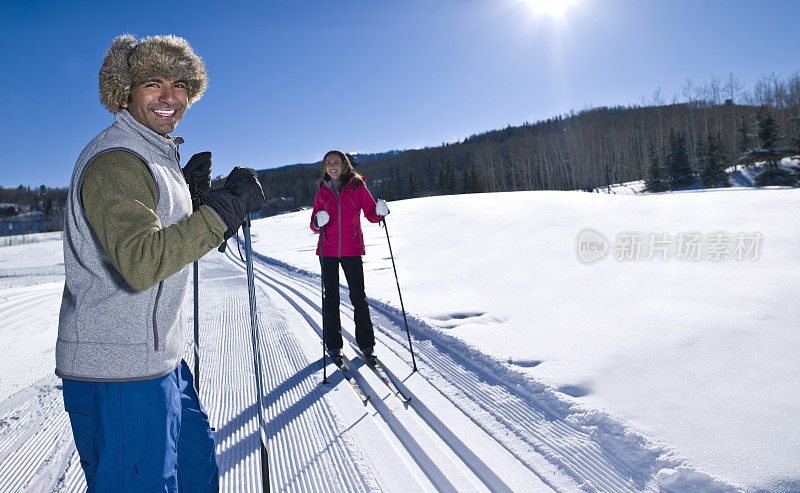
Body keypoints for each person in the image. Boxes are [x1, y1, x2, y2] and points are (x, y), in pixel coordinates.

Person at [56, 34, 264, 491]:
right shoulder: (117, 159)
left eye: (181, 84)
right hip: (119, 372)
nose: (170, 96)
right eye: (153, 83)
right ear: (126, 91)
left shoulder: (153, 154)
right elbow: (140, 260)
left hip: (160, 358)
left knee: (195, 469)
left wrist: (190, 200)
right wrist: (219, 216)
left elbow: (154, 225)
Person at [310, 150, 389, 365]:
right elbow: (313, 223)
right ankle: (334, 345)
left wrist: (381, 211)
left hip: (352, 249)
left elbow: (372, 214)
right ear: (324, 167)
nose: (332, 166)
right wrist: (318, 221)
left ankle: (367, 345)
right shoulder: (322, 192)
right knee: (331, 299)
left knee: (358, 298)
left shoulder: (357, 186)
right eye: (328, 163)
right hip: (327, 252)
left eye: (336, 162)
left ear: (344, 164)